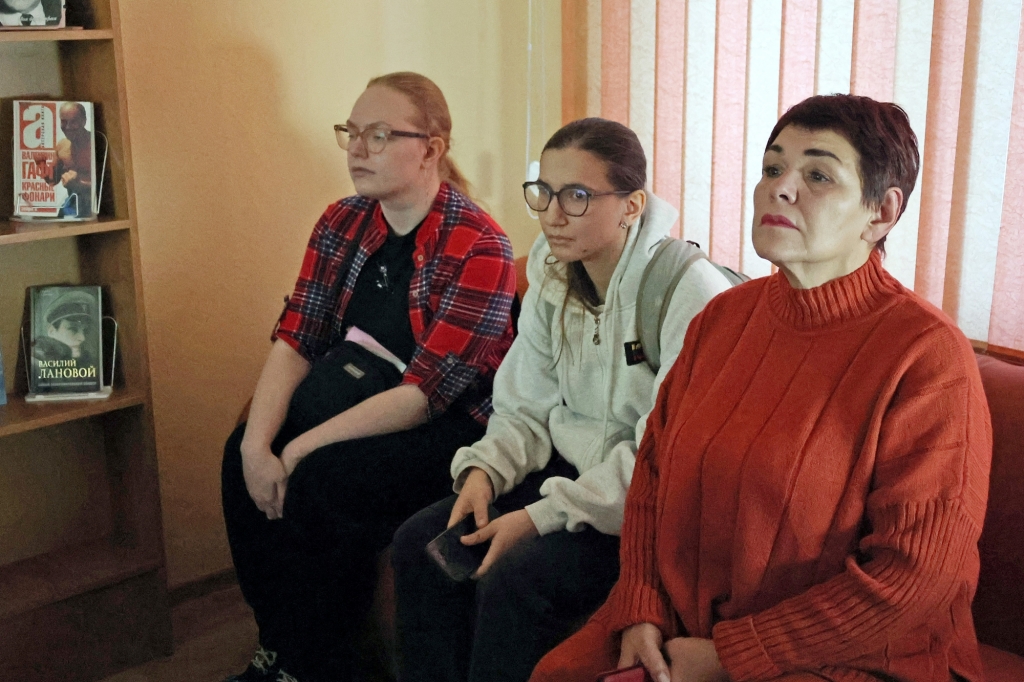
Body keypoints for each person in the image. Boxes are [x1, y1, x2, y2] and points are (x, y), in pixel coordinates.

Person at [531, 94, 993, 682]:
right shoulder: (722, 319)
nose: (780, 188)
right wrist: (641, 607)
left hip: (857, 653)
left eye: (818, 175)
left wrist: (730, 656)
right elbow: (653, 476)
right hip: (687, 626)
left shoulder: (926, 355)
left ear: (881, 213)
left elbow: (916, 577)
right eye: (773, 168)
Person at [391, 118, 734, 682]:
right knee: (418, 545)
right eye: (543, 192)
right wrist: (484, 471)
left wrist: (538, 518)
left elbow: (662, 460)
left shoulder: (688, 292)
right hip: (568, 474)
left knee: (515, 581)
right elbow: (523, 404)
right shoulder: (553, 273)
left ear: (631, 206)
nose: (552, 214)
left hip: (641, 506)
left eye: (576, 196)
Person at [220, 72, 516, 682]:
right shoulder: (343, 220)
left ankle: (319, 664)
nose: (357, 149)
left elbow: (425, 395)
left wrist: (298, 448)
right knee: (238, 455)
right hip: (366, 392)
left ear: (431, 149)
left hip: (451, 422)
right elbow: (298, 335)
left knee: (320, 479)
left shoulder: (481, 245)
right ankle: (278, 644)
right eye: (352, 133)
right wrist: (256, 444)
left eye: (379, 135)